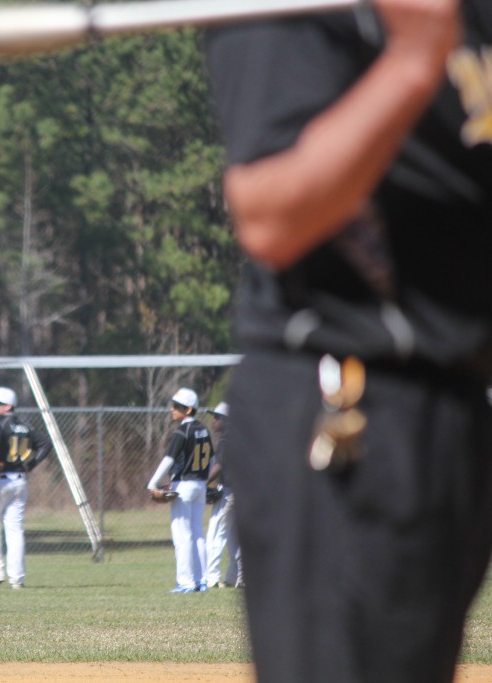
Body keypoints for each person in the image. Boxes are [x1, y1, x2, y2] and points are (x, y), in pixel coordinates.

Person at [204, 1, 492, 680]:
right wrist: (414, 58)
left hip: (452, 408)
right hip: (348, 413)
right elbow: (270, 213)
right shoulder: (302, 10)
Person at [0, 386, 52, 590]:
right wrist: (30, 465)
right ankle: (17, 579)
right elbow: (45, 444)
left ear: (7, 406)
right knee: (14, 530)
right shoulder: (24, 426)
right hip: (19, 481)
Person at [147, 388, 214, 594]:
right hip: (200, 484)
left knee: (182, 535)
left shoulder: (182, 432)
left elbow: (169, 459)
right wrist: (205, 479)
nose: (171, 409)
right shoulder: (204, 429)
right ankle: (202, 580)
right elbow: (212, 459)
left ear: (188, 410)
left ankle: (186, 582)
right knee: (197, 533)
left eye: (177, 406)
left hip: (184, 485)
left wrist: (152, 483)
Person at [202, 402, 241, 589]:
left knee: (216, 534)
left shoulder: (226, 440)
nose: (214, 420)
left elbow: (219, 466)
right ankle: (237, 576)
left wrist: (203, 483)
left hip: (228, 491)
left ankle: (212, 577)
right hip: (240, 491)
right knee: (234, 537)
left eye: (217, 417)